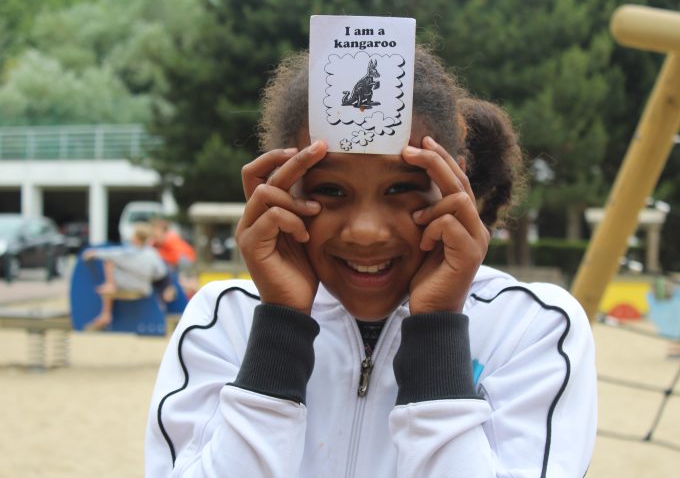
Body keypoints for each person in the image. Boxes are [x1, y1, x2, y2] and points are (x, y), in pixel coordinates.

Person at [145, 46, 597, 477]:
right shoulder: (225, 320)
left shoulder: (530, 328)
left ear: (455, 181)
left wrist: (439, 328)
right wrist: (280, 325)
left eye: (401, 188)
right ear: (278, 188)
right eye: (330, 190)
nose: (365, 231)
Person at [83, 222, 167, 330]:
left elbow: (111, 254)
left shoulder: (129, 252)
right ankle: (109, 293)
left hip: (128, 285)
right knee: (117, 266)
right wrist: (148, 276)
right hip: (145, 287)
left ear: (136, 238)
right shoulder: (152, 253)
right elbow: (161, 272)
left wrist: (93, 253)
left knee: (109, 263)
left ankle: (106, 312)